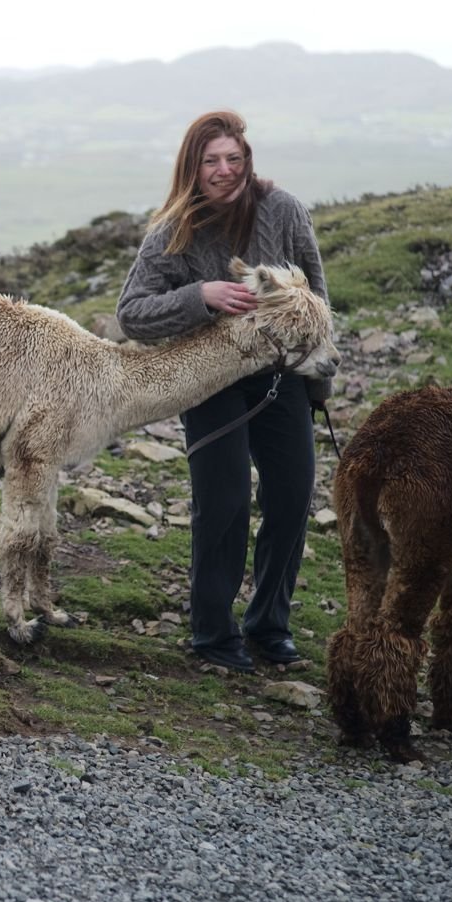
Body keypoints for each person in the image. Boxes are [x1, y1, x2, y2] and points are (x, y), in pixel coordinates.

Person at [115, 109, 330, 672]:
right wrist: (201, 296)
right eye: (211, 160)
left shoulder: (284, 210)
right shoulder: (173, 230)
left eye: (234, 158)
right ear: (193, 166)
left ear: (247, 159)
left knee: (292, 495)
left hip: (281, 374)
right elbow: (131, 314)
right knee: (224, 502)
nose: (224, 169)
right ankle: (213, 632)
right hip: (209, 382)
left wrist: (319, 380)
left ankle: (269, 625)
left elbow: (316, 294)